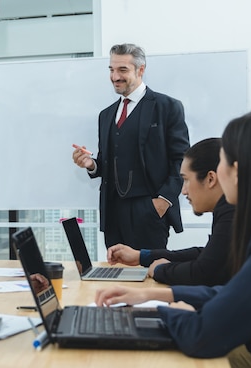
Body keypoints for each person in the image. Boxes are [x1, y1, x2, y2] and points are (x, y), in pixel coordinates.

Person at [94, 109, 251, 368]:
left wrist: (168, 312)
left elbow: (201, 336)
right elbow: (238, 293)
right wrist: (153, 295)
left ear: (235, 171)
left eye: (222, 162)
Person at [72, 43, 190, 250]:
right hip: (113, 213)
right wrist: (91, 164)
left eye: (122, 70)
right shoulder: (106, 115)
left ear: (141, 69)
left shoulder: (167, 107)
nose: (115, 76)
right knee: (115, 273)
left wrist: (162, 202)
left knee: (149, 277)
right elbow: (108, 162)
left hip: (150, 212)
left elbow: (181, 160)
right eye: (111, 69)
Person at [106, 138, 235, 286]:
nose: (183, 191)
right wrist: (142, 256)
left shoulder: (232, 212)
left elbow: (204, 272)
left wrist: (161, 270)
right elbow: (208, 255)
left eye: (186, 180)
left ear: (211, 179)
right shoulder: (228, 209)